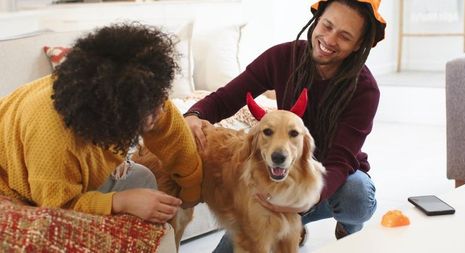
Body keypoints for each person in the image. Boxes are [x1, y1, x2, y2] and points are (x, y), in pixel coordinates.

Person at [183, 0, 386, 250]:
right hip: (278, 175)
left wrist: (301, 203)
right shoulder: (283, 57)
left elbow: (339, 162)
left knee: (356, 196)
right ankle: (292, 224)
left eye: (345, 36)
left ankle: (345, 226)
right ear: (317, 19)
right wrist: (194, 114)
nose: (330, 40)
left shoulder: (365, 90)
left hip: (328, 177)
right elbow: (227, 98)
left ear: (358, 46)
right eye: (327, 25)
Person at [0, 23, 202, 224]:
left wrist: (191, 189)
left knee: (144, 179)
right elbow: (56, 209)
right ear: (115, 116)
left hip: (61, 165)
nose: (160, 110)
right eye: (153, 109)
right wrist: (119, 201)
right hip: (17, 185)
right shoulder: (54, 140)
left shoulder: (142, 91)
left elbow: (173, 136)